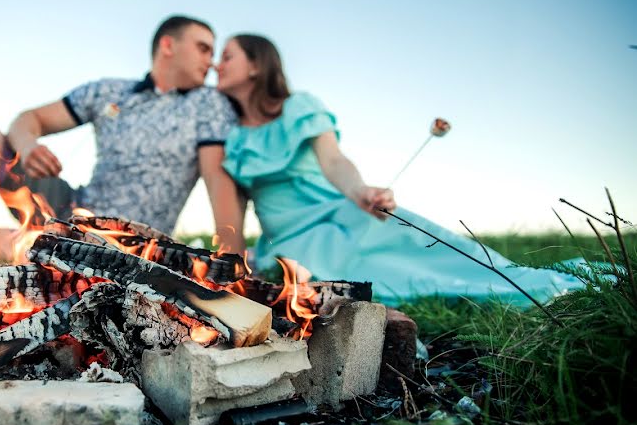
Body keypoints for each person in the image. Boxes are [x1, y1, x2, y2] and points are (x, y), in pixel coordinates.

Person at [215, 34, 585, 305]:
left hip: (339, 212)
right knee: (371, 283)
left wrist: (361, 192)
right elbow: (238, 210)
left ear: (255, 65)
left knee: (426, 246)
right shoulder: (230, 139)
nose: (218, 64)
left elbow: (334, 161)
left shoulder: (298, 106)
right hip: (289, 242)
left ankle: (535, 284)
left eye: (227, 56)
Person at [0, 15, 245, 262]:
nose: (212, 62)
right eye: (203, 48)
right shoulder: (108, 91)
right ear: (168, 45)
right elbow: (29, 119)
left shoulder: (209, 104)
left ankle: (21, 249)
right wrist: (28, 146)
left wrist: (233, 263)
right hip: (70, 213)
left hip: (133, 245)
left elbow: (217, 181)